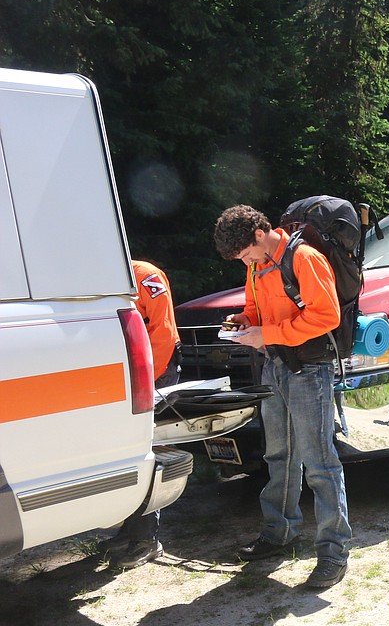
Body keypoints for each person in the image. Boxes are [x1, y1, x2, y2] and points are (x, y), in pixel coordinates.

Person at [214, 205, 352, 590]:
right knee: (279, 455)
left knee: (320, 460)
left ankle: (333, 553)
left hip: (310, 369)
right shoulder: (257, 266)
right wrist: (245, 322)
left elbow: (327, 317)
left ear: (259, 235)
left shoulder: (304, 258)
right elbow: (256, 309)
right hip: (275, 366)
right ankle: (279, 533)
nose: (245, 262)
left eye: (244, 254)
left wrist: (268, 334)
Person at [104, 259, 181, 569]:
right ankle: (129, 527)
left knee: (144, 452)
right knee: (120, 453)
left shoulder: (145, 276)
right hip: (123, 379)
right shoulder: (99, 279)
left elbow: (162, 334)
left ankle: (147, 540)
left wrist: (147, 385)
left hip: (153, 374)